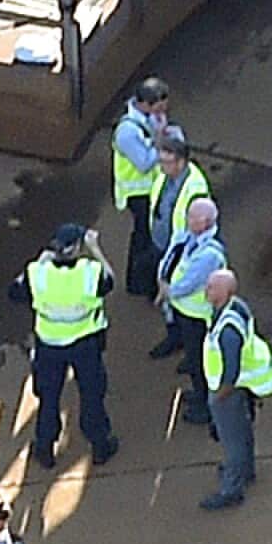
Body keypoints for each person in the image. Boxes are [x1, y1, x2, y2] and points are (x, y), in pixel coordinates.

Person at [7, 224, 120, 469]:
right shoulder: (89, 272)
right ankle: (100, 445)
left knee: (48, 398)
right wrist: (96, 248)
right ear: (78, 247)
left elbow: (14, 292)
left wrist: (40, 260)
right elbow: (110, 281)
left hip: (49, 346)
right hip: (85, 345)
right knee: (91, 395)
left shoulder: (38, 274)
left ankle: (45, 449)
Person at [199, 270, 272, 510]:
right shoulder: (236, 308)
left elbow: (230, 371)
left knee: (231, 440)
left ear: (225, 292)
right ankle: (246, 470)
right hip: (239, 387)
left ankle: (231, 489)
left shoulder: (228, 331)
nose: (207, 290)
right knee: (242, 431)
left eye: (212, 287)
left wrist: (218, 397)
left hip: (228, 391)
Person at [157, 198, 226, 424]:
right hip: (185, 312)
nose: (187, 221)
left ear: (205, 222)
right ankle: (199, 395)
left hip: (198, 317)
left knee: (199, 362)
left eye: (192, 218)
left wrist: (169, 290)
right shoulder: (191, 237)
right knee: (194, 359)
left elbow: (188, 284)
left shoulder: (209, 254)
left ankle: (205, 406)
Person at [113, 77, 182, 296]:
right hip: (137, 193)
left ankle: (143, 280)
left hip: (150, 188)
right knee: (144, 237)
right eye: (159, 108)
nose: (162, 112)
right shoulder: (127, 132)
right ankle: (138, 282)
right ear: (145, 104)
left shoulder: (149, 117)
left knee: (148, 235)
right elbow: (143, 162)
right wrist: (162, 142)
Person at [147, 136, 211, 359]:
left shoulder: (195, 188)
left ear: (181, 162)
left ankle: (182, 342)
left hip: (178, 253)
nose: (161, 167)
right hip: (162, 243)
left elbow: (193, 228)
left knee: (176, 301)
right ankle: (176, 336)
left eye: (167, 162)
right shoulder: (166, 176)